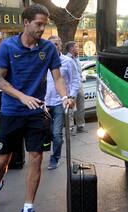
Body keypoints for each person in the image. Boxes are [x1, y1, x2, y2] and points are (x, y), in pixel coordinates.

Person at [0, 4, 74, 212]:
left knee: (35, 158)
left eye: (45, 24)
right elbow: (0, 81)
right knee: (2, 161)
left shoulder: (48, 49)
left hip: (36, 113)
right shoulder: (7, 47)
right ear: (25, 22)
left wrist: (65, 97)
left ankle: (27, 209)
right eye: (38, 24)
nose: (42, 29)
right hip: (12, 112)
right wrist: (23, 97)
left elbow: (58, 78)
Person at [45, 36, 80, 170]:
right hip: (45, 104)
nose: (53, 47)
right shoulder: (43, 62)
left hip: (60, 102)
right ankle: (57, 143)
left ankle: (55, 157)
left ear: (60, 46)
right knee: (48, 133)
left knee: (56, 133)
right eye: (50, 45)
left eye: (56, 44)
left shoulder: (67, 62)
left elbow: (75, 80)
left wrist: (71, 97)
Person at [65, 41, 86, 134]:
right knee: (70, 107)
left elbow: (79, 72)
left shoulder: (77, 58)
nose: (78, 48)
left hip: (80, 85)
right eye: (76, 47)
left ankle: (80, 126)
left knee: (81, 106)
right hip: (71, 86)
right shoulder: (66, 59)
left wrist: (82, 78)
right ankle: (70, 128)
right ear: (71, 49)